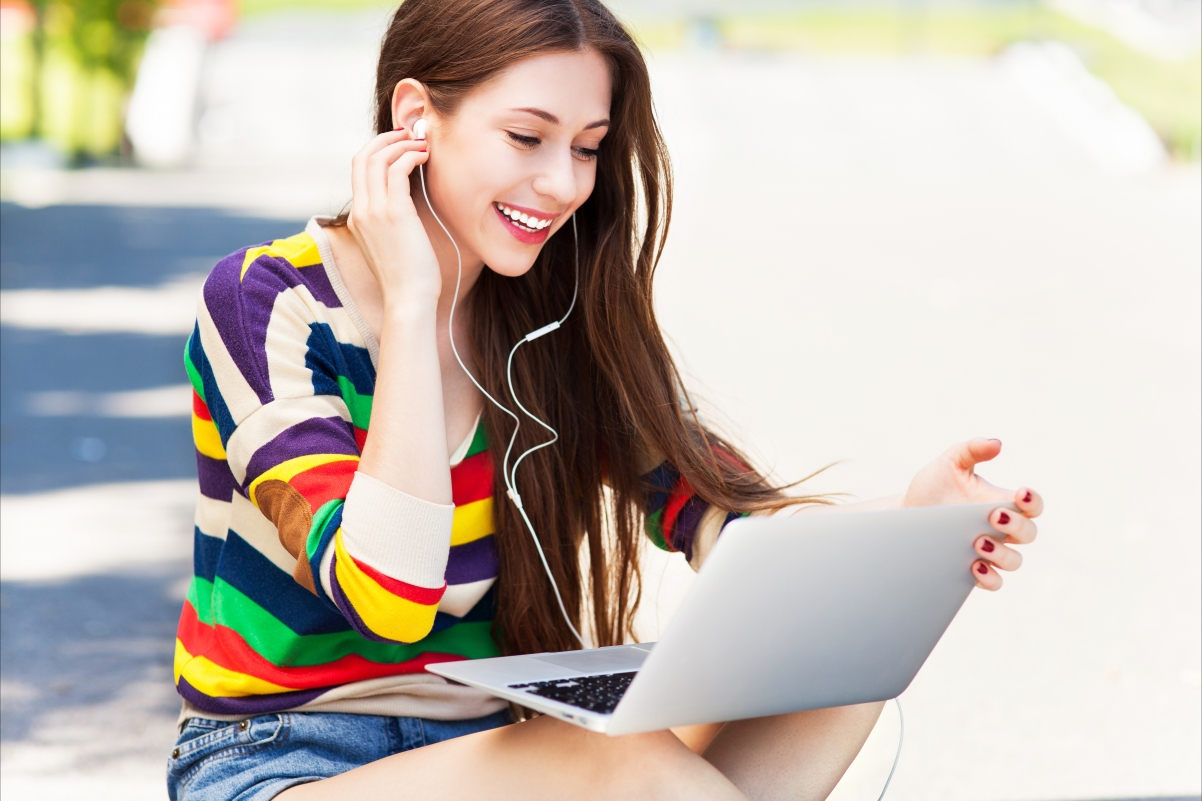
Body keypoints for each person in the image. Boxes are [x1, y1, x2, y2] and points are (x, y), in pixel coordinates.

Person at [166, 0, 1042, 798]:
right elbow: (389, 595)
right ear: (414, 119)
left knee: (839, 676)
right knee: (614, 758)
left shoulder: (549, 321)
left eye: (586, 147)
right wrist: (409, 301)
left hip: (494, 747)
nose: (563, 184)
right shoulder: (265, 302)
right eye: (526, 137)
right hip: (283, 760)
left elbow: (730, 526)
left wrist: (911, 524)